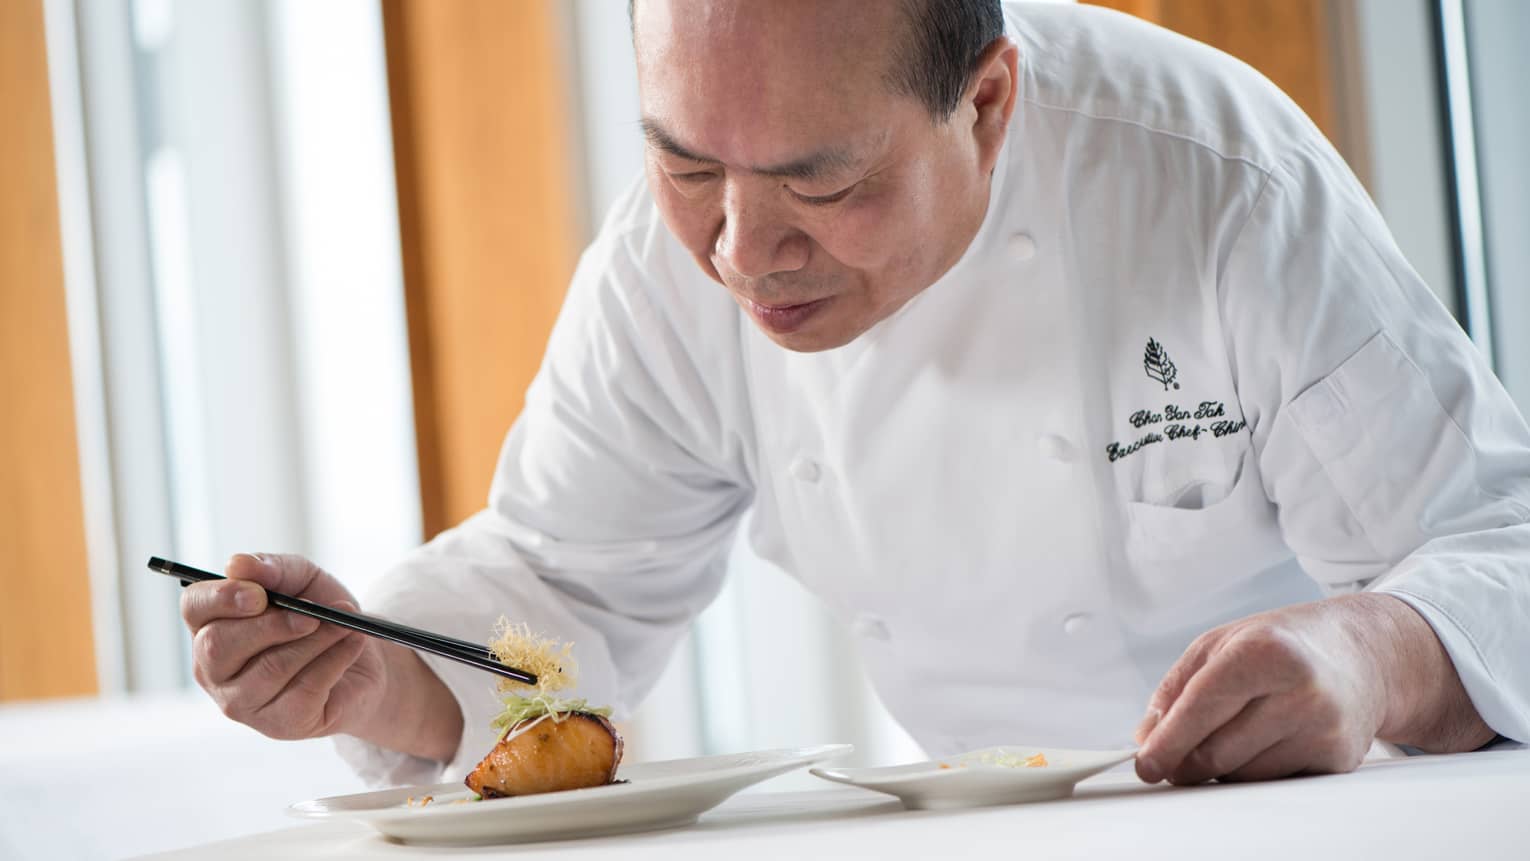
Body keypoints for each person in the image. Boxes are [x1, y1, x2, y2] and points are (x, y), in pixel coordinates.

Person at [180, 0, 1528, 788]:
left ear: (988, 104)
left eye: (821, 183)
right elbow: (560, 587)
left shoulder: (1213, 183)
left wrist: (1367, 653)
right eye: (687, 165)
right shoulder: (672, 259)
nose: (739, 250)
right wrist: (374, 671)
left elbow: (1501, 548)